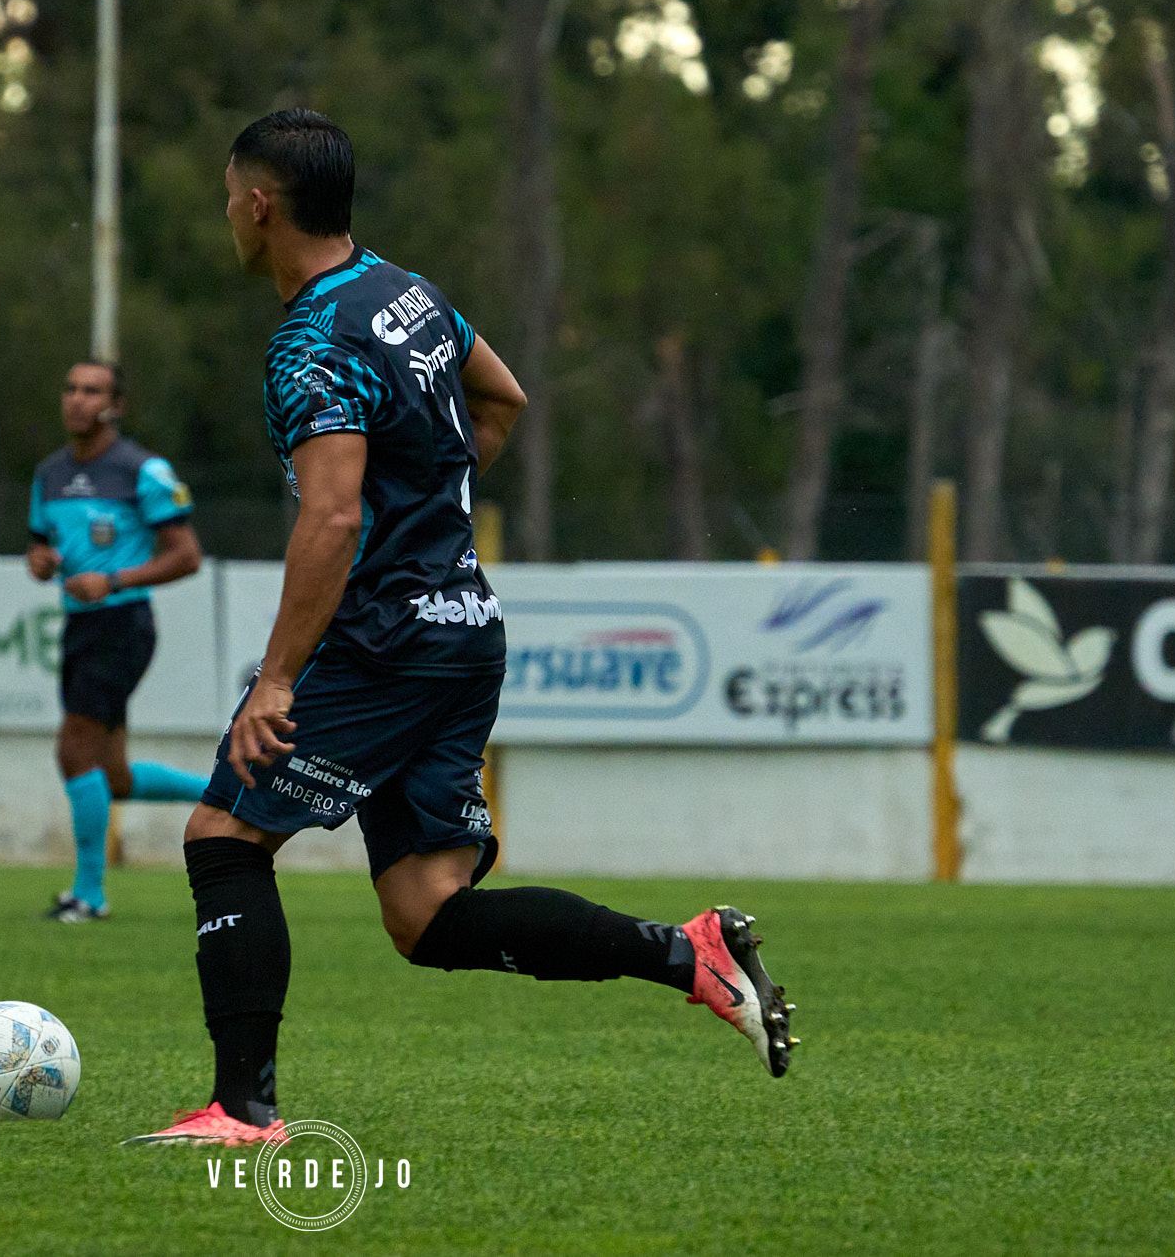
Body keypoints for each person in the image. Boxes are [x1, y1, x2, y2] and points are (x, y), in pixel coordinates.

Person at [128, 110, 796, 1145]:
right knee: (426, 913)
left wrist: (274, 680)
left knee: (223, 836)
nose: (225, 212)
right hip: (462, 630)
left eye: (228, 195)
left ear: (259, 205)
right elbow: (504, 399)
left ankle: (241, 1110)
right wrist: (427, 495)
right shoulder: (406, 292)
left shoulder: (312, 341)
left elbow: (332, 515)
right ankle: (686, 951)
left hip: (382, 643)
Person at [27, 360, 212, 923]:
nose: (78, 400)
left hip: (122, 622)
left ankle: (90, 895)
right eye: (71, 388)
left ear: (116, 405)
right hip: (82, 626)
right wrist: (39, 561)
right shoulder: (50, 474)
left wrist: (112, 579)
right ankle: (225, 795)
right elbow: (41, 545)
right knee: (113, 776)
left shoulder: (144, 471)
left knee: (73, 749)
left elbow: (186, 556)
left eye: (92, 391)